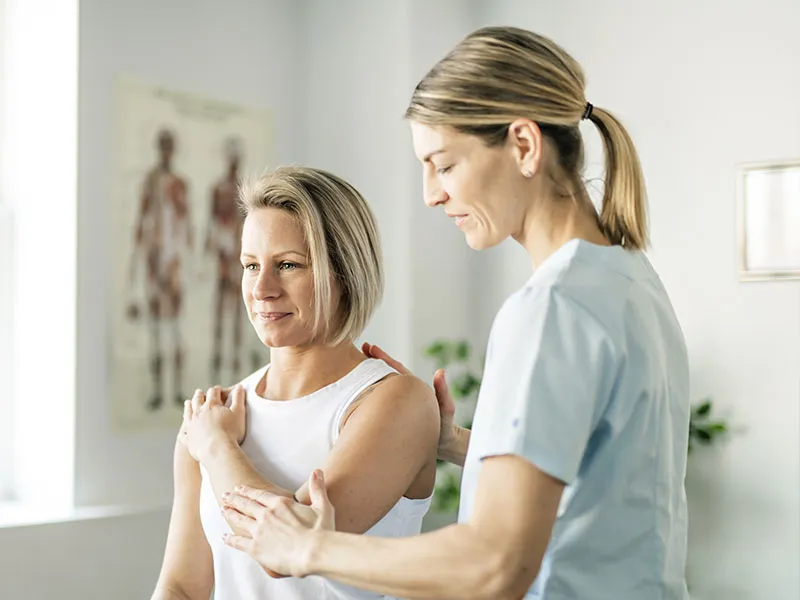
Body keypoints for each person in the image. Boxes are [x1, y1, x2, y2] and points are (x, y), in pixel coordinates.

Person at [219, 26, 691, 600]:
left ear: (524, 145)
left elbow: (495, 564)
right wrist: (465, 444)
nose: (431, 194)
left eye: (443, 165)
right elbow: (604, 478)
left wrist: (308, 548)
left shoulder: (552, 308)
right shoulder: (630, 280)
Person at [150, 166, 440, 600]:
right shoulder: (215, 415)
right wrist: (211, 440)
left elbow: (285, 551)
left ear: (345, 273)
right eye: (251, 266)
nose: (262, 288)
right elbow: (181, 588)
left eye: (287, 265)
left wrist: (217, 448)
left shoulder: (396, 401)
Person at [128, 128, 194, 410]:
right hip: (154, 263)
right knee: (155, 329)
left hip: (173, 263)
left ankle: (178, 389)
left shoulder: (179, 184)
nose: (167, 151)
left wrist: (187, 262)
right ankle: (157, 390)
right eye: (163, 145)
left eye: (170, 146)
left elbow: (186, 223)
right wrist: (136, 264)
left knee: (176, 328)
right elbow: (141, 220)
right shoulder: (151, 181)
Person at [204, 136, 247, 382]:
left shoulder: (246, 189)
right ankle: (218, 359)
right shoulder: (218, 189)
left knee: (240, 309)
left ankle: (237, 361)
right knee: (221, 308)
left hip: (240, 254)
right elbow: (212, 223)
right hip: (224, 252)